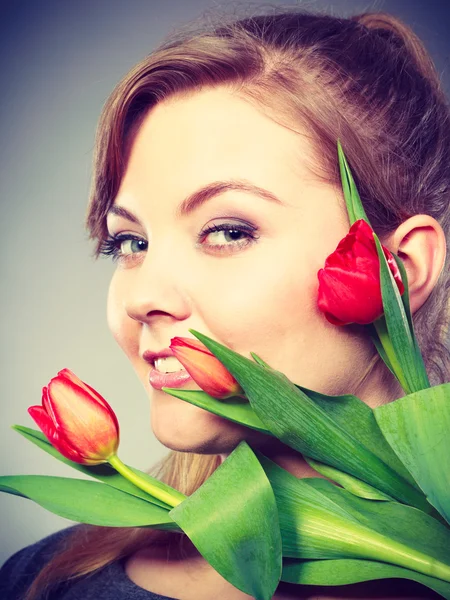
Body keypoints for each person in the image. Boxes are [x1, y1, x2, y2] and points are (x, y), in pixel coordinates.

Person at [1, 6, 449, 600]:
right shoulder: (43, 581)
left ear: (401, 270)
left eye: (228, 231)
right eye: (130, 242)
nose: (141, 297)